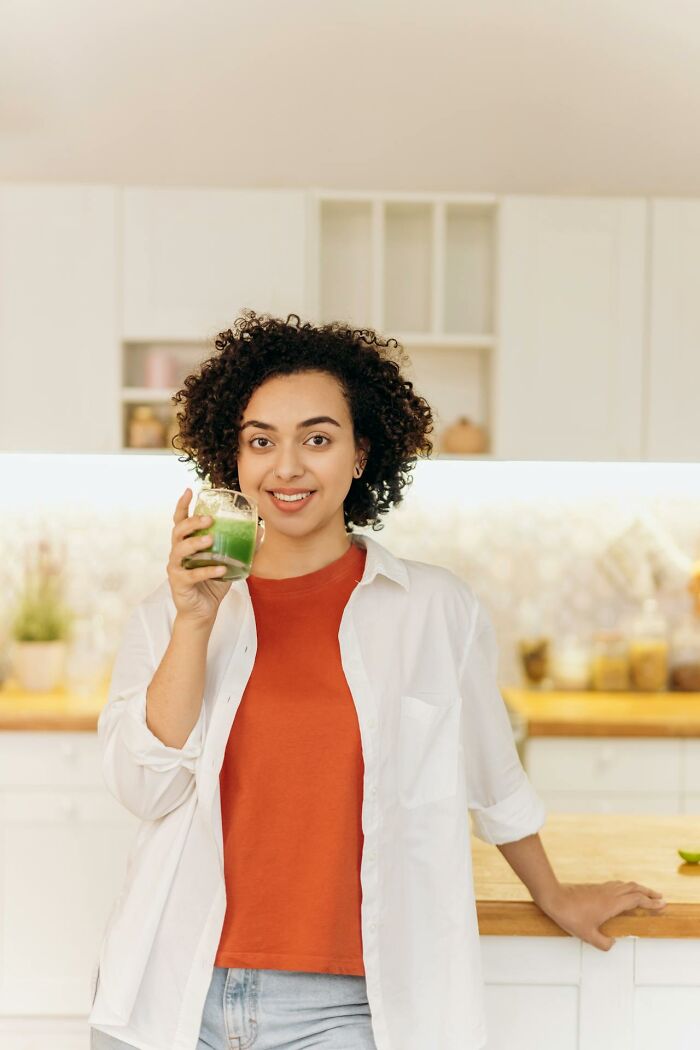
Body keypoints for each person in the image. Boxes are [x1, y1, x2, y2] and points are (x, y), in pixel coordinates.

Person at [89, 311, 666, 1050]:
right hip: (171, 996)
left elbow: (490, 774)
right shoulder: (169, 616)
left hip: (350, 1008)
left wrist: (551, 894)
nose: (287, 467)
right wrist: (193, 622)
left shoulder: (434, 609)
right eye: (260, 440)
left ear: (362, 454)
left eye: (317, 439)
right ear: (232, 459)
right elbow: (146, 792)